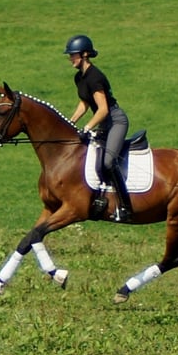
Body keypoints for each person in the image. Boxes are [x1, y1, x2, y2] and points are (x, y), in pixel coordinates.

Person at [64, 34, 133, 222]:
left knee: (109, 162)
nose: (70, 58)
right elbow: (84, 104)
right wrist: (70, 122)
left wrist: (86, 127)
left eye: (73, 55)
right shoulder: (80, 77)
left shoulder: (95, 77)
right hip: (103, 123)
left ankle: (125, 207)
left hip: (116, 121)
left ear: (84, 55)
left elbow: (102, 110)